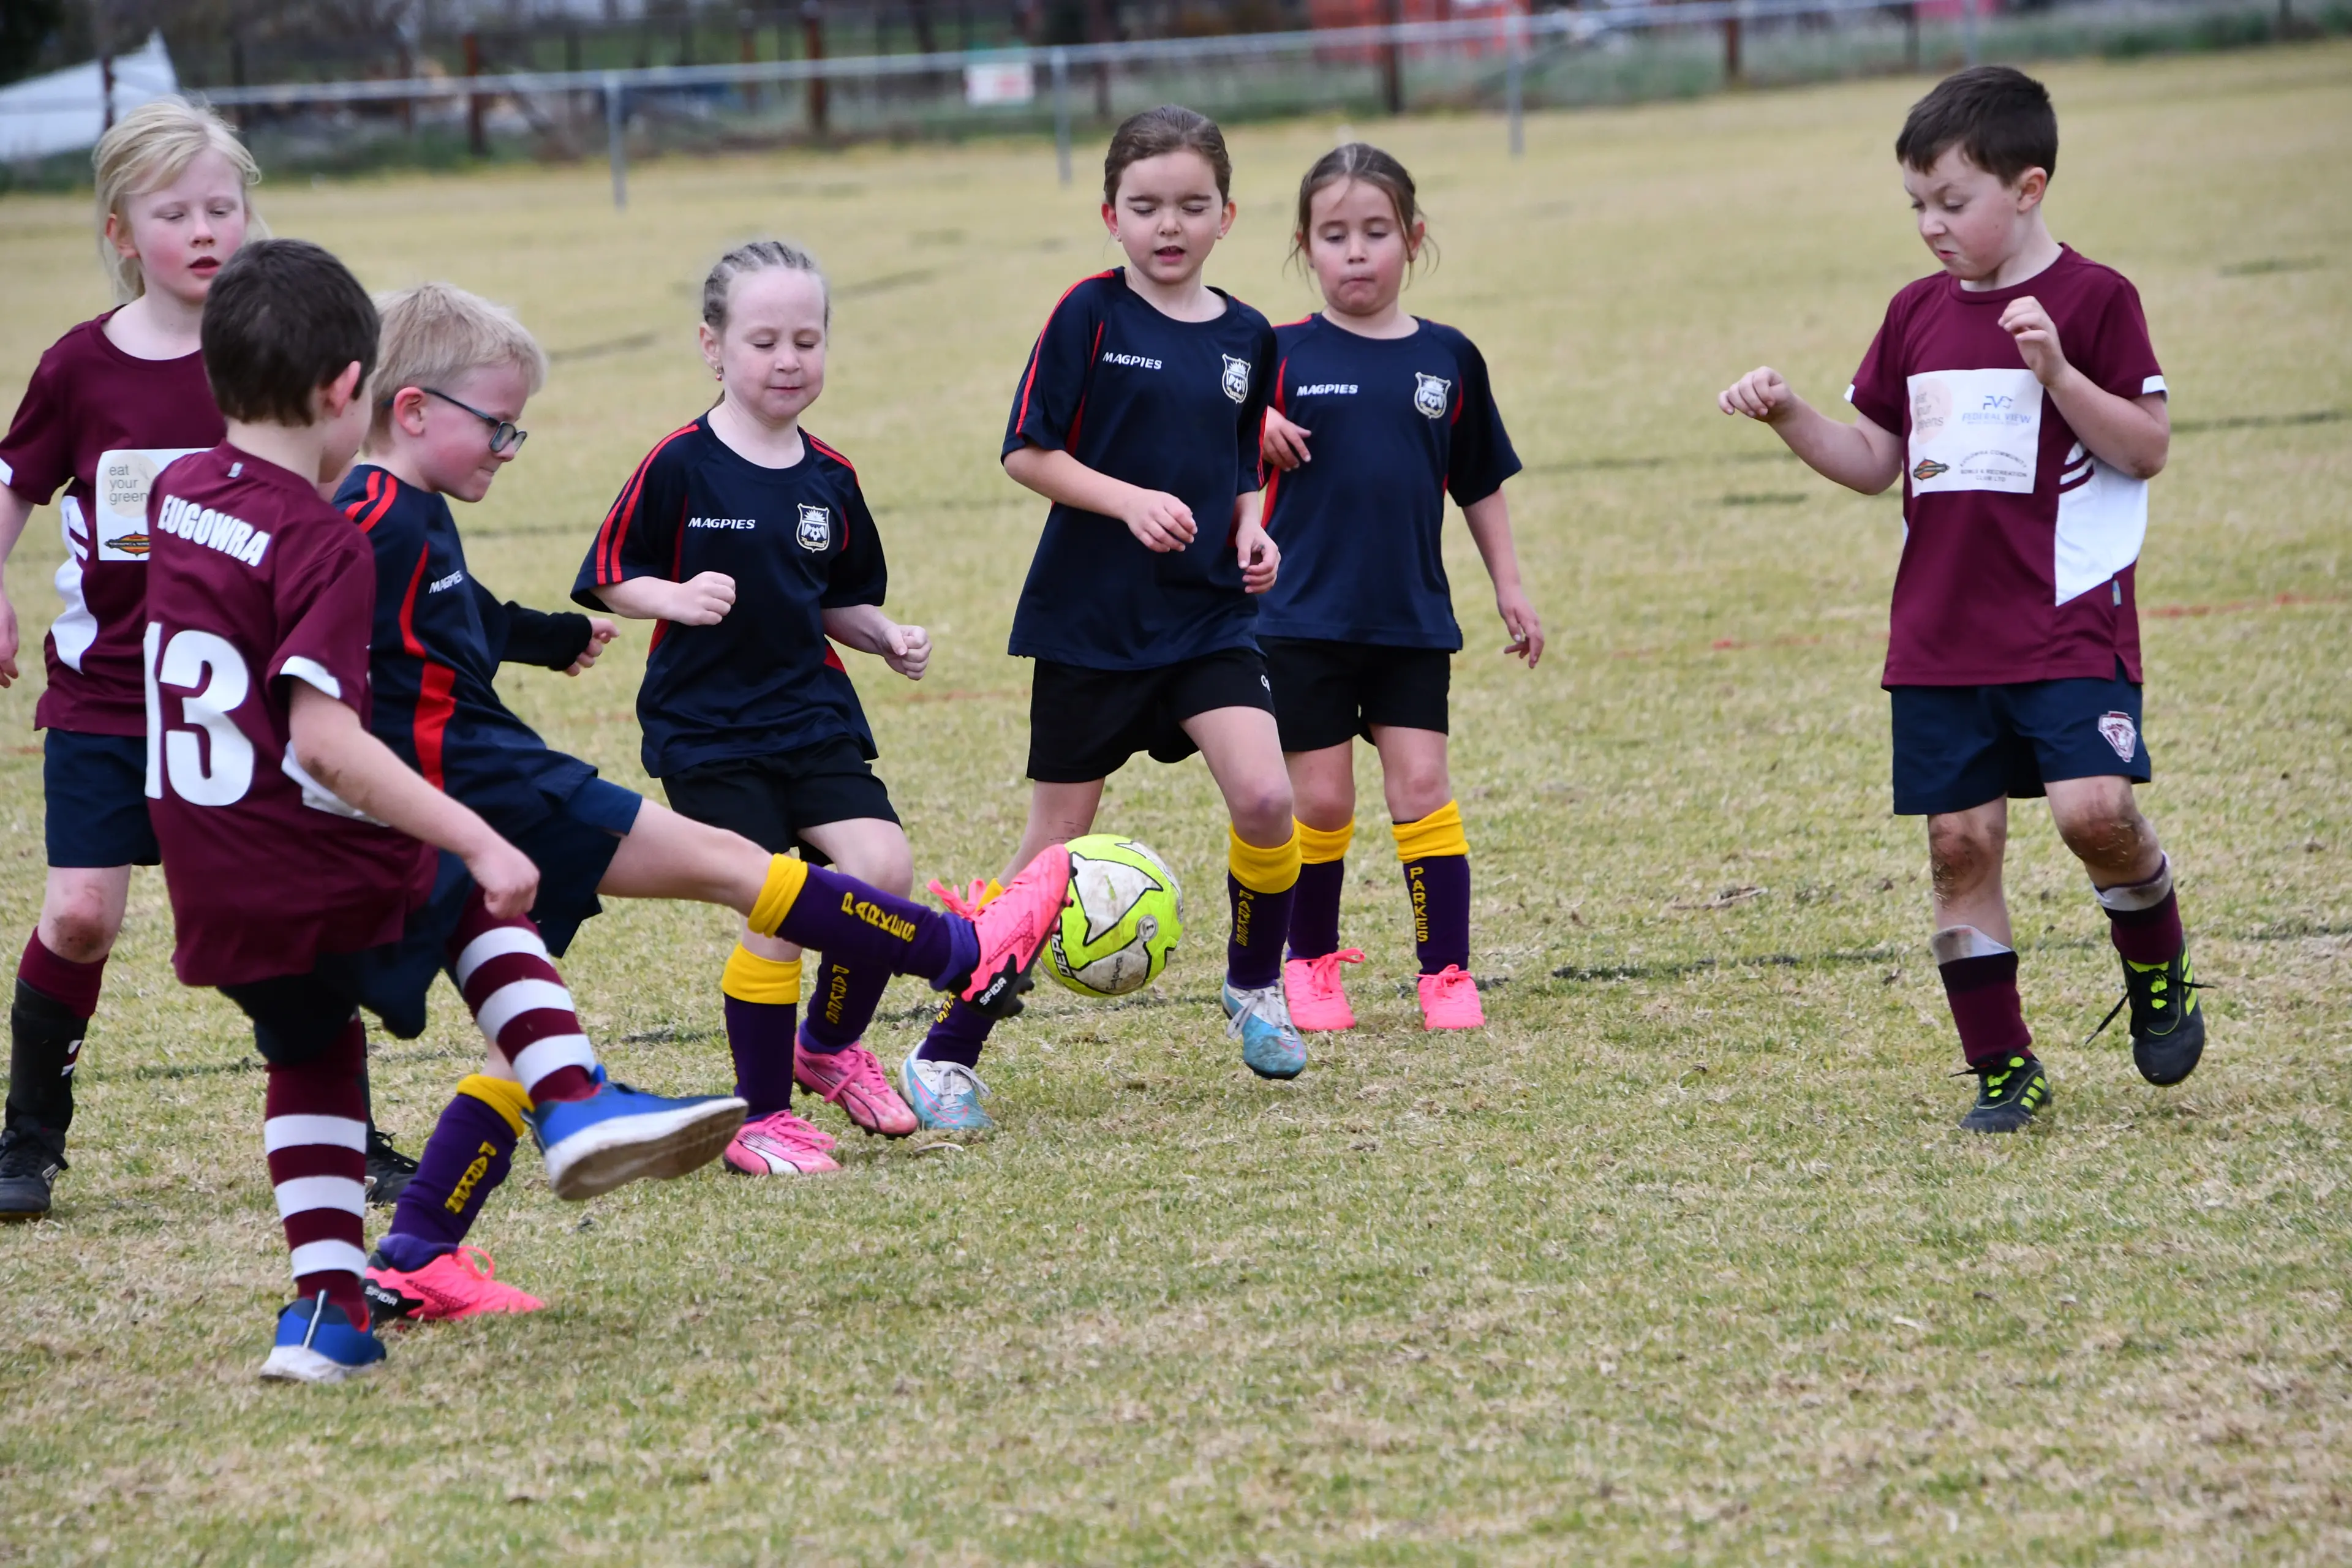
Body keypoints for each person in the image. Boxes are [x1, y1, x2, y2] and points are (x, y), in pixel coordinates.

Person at [334, 281, 1072, 1320]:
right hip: (492, 788)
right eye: (499, 426)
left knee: (521, 1032)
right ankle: (964, 951)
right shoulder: (365, 519)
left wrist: (548, 638)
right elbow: (303, 653)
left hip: (478, 792)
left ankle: (416, 1254)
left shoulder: (405, 511)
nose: (510, 446)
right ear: (412, 411)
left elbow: (451, 619)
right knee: (745, 874)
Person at [141, 238, 755, 1381]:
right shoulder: (325, 542)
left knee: (312, 1050)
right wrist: (478, 835)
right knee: (471, 881)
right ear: (350, 391)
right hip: (291, 845)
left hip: (206, 867)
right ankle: (572, 1097)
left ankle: (326, 1317)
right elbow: (327, 740)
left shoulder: (179, 494)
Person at [1715, 66, 2202, 1134]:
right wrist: (1790, 413)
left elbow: (2148, 449)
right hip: (1939, 635)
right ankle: (2002, 1066)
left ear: (2028, 189)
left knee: (2096, 815)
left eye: (1952, 202)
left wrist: (2059, 373)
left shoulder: (2096, 299)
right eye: (1917, 206)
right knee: (1958, 847)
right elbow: (1872, 460)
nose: (1931, 226)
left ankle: (2157, 959)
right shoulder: (1913, 314)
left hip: (2067, 618)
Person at [900, 103, 1295, 1133]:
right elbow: (1026, 452)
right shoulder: (1088, 314)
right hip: (1091, 625)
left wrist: (1252, 528)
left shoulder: (1250, 335)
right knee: (1052, 853)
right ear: (1110, 214)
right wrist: (1127, 502)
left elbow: (1238, 458)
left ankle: (1256, 986)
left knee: (1266, 796)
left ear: (1227, 216)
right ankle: (947, 1051)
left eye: (1193, 206)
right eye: (1147, 206)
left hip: (1207, 618)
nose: (1170, 226)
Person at [573, 241, 944, 1178]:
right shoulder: (680, 464)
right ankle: (763, 1115)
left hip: (810, 713)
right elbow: (610, 574)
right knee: (776, 897)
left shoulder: (831, 477)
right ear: (713, 347)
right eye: (764, 341)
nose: (788, 361)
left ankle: (829, 1046)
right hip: (708, 729)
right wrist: (674, 597)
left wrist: (885, 635)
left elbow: (834, 598)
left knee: (883, 868)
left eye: (807, 342)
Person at [0, 99, 261, 1222]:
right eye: (173, 213)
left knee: (270, 915)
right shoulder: (81, 365)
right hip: (105, 696)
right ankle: (27, 1141)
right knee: (78, 918)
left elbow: (341, 489)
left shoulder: (272, 356)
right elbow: (13, 481)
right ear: (121, 233)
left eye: (221, 207)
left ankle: (344, 1132)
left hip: (242, 696)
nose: (203, 230)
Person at [1255, 143, 1542, 1035]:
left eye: (1376, 231)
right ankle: (1309, 963)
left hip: (1411, 620)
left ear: (1413, 239)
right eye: (1334, 234)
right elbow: (1201, 449)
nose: (1356, 251)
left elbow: (1478, 482)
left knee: (1423, 787)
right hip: (1298, 621)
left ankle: (1446, 973)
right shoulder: (1275, 355)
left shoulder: (1448, 358)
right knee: (1322, 802)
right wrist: (1250, 425)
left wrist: (1509, 586)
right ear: (1305, 246)